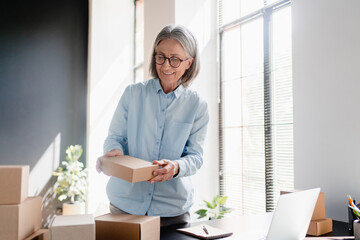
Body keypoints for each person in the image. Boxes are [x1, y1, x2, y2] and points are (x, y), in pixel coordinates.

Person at [96, 25, 209, 227]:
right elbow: (115, 137)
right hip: (126, 206)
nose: (166, 66)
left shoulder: (197, 105)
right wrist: (114, 152)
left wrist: (176, 167)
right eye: (161, 57)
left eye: (175, 59)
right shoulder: (132, 94)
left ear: (189, 63)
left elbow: (196, 156)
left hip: (172, 212)